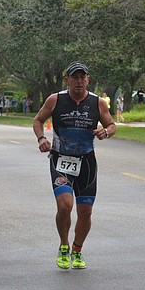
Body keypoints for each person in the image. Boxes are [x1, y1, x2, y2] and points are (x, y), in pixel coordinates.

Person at [32, 61, 116, 270]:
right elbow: (38, 120)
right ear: (67, 80)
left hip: (87, 161)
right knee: (65, 205)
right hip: (61, 160)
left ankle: (77, 250)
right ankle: (63, 245)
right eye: (74, 77)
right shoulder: (55, 100)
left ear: (88, 79)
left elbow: (111, 125)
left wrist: (106, 132)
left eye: (82, 77)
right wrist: (42, 138)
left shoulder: (97, 103)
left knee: (85, 212)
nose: (79, 81)